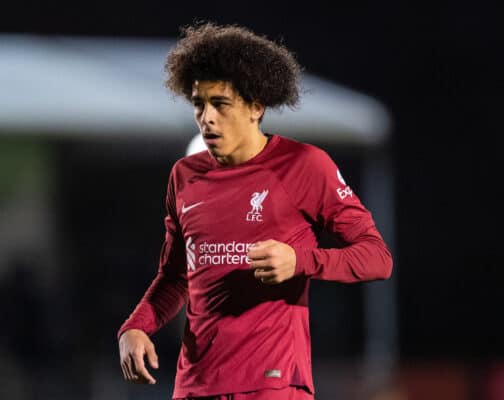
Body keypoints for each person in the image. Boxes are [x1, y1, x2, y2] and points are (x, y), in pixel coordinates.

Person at [118, 22, 392, 400]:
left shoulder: (304, 166)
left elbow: (377, 258)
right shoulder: (184, 176)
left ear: (256, 107)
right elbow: (176, 276)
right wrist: (135, 327)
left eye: (220, 104)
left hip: (272, 385)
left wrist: (300, 261)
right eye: (199, 104)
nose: (207, 118)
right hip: (196, 386)